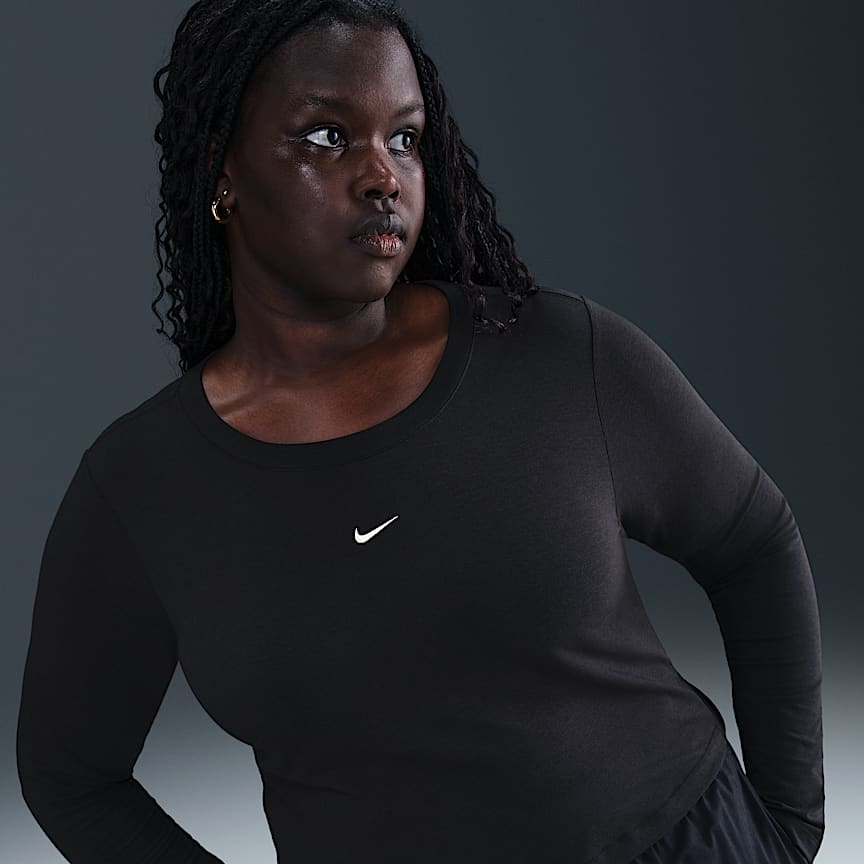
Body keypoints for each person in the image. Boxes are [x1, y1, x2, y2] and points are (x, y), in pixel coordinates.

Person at [16, 1, 824, 862]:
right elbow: (71, 777)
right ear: (224, 170)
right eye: (326, 136)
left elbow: (753, 539)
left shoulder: (554, 353)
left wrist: (788, 825)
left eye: (404, 138)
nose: (383, 175)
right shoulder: (141, 485)